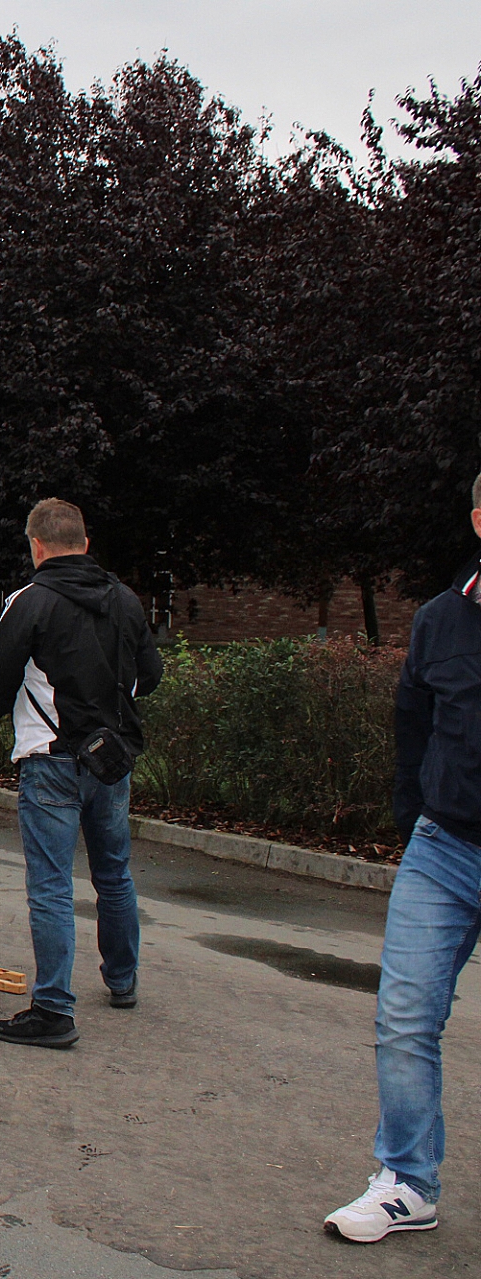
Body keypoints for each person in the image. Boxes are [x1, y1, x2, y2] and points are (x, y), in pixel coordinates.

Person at [324, 473, 481, 1244]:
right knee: (406, 1014)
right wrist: (413, 814)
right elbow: (412, 717)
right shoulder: (441, 620)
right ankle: (408, 1181)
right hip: (444, 848)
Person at [0, 498, 162, 1050]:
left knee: (52, 884)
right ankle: (122, 980)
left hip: (50, 755)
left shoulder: (30, 601)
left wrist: (7, 707)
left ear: (37, 546)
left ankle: (54, 1008)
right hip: (111, 758)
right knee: (114, 874)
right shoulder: (125, 599)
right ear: (85, 542)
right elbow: (150, 674)